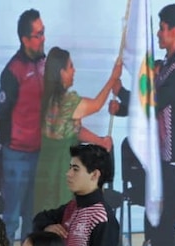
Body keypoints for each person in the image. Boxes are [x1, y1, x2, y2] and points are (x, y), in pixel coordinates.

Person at [111, 3, 175, 246]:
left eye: (162, 28)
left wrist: (124, 96)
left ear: (174, 30)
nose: (157, 34)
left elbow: (154, 102)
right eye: (156, 28)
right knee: (155, 228)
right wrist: (122, 103)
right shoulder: (164, 65)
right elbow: (146, 104)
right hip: (155, 160)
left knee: (164, 230)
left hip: (169, 159)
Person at [33, 46, 120, 213]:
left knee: (45, 212)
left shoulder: (48, 99)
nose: (74, 70)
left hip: (46, 170)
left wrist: (99, 141)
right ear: (62, 73)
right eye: (71, 66)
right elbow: (97, 105)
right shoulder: (68, 102)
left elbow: (74, 129)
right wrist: (113, 78)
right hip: (62, 170)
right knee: (63, 214)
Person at [0, 8, 47, 246]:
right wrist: (10, 145)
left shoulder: (45, 64)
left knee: (32, 220)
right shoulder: (12, 71)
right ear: (25, 39)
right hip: (16, 156)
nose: (43, 38)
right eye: (38, 34)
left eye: (43, 32)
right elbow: (1, 116)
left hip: (39, 155)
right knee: (11, 220)